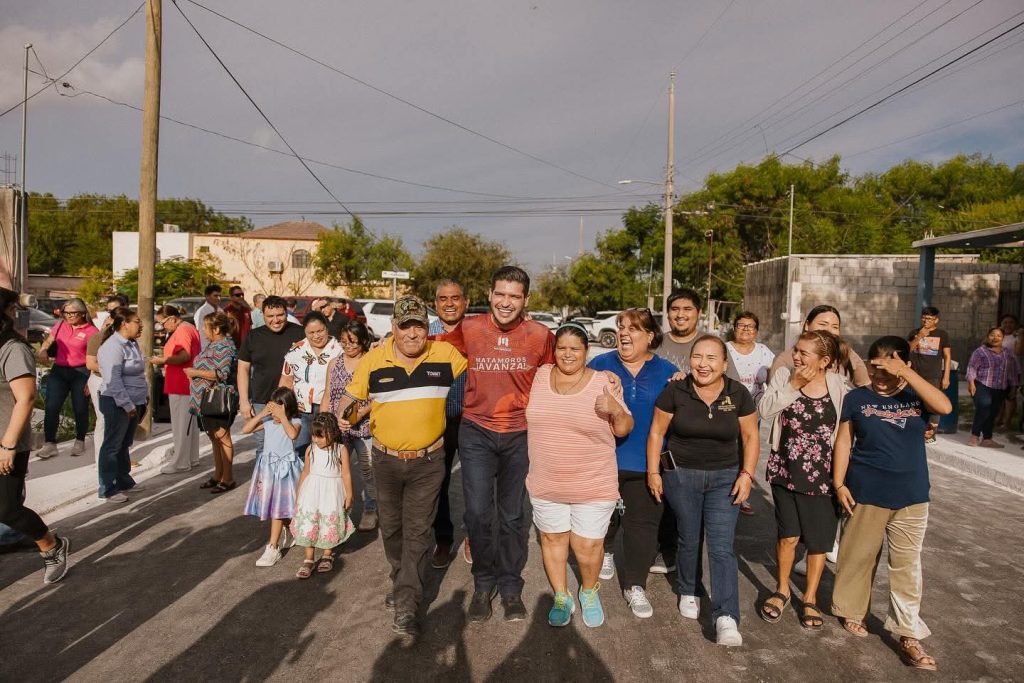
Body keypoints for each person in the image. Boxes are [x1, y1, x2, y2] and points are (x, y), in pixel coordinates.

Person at [334, 295, 467, 637]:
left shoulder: (445, 355)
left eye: (418, 326)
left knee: (419, 531)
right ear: (393, 327)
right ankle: (400, 577)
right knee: (392, 529)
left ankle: (408, 601)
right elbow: (351, 397)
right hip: (385, 461)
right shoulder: (374, 359)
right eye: (405, 326)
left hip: (429, 462)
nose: (412, 333)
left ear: (426, 328)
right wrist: (345, 415)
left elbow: (484, 357)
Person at [437, 266, 555, 623]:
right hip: (476, 432)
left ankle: (510, 586)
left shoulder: (540, 335)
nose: (506, 302)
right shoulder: (470, 328)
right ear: (490, 295)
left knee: (513, 515)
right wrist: (387, 345)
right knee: (476, 513)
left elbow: (561, 373)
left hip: (520, 434)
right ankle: (483, 584)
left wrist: (604, 376)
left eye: (514, 296)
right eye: (500, 294)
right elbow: (429, 347)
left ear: (526, 300)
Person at [831, 336, 952, 671]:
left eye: (887, 368)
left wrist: (907, 374)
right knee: (858, 557)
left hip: (912, 495)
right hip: (866, 491)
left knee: (907, 567)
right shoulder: (857, 398)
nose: (879, 375)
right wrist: (839, 483)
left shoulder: (916, 394)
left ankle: (908, 632)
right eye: (875, 367)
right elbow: (844, 441)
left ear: (904, 365)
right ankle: (852, 610)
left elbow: (944, 407)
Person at [646, 335, 759, 647]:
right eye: (697, 356)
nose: (703, 364)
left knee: (721, 546)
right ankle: (688, 588)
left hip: (726, 478)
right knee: (688, 536)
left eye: (711, 358)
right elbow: (657, 432)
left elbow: (750, 437)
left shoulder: (738, 393)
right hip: (681, 477)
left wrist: (747, 474)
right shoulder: (675, 391)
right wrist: (654, 472)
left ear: (724, 364)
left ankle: (726, 616)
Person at [527, 323, 633, 628]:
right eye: (562, 348)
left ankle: (588, 591)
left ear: (587, 351)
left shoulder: (603, 381)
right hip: (546, 482)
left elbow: (624, 427)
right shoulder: (539, 376)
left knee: (588, 547)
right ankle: (561, 596)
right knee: (552, 540)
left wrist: (615, 409)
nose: (568, 354)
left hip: (593, 483)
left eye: (575, 348)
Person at [589, 308, 678, 619]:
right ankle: (607, 550)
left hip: (647, 464)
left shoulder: (668, 371)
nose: (624, 333)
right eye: (621, 327)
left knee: (643, 526)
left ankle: (635, 585)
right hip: (604, 460)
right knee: (607, 519)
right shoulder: (599, 365)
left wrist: (684, 382)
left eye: (633, 328)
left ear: (650, 336)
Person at [757, 330, 847, 630]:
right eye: (796, 350)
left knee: (819, 541)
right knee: (788, 536)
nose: (796, 356)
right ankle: (782, 589)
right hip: (786, 470)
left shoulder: (838, 385)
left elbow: (847, 432)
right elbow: (765, 410)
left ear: (824, 360)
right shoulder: (785, 376)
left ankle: (809, 598)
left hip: (824, 475)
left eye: (803, 353)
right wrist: (793, 386)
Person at [0, 286, 71, 583]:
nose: (15, 314)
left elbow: (27, 398)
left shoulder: (13, 349)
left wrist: (8, 445)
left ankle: (51, 545)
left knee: (7, 509)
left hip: (7, 442)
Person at [649, 289, 706, 574]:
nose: (680, 315)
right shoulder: (657, 344)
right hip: (661, 433)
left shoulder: (709, 344)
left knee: (689, 500)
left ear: (698, 313)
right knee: (661, 492)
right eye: (675, 309)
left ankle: (687, 558)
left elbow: (728, 385)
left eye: (687, 309)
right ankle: (664, 549)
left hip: (695, 437)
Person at [428, 279, 469, 567]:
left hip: (471, 419)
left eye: (455, 298)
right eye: (443, 299)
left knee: (475, 483)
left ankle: (473, 535)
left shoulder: (477, 332)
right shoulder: (425, 333)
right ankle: (443, 539)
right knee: (437, 482)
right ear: (435, 303)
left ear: (465, 302)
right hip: (436, 420)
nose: (449, 303)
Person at [323, 319, 377, 531]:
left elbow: (378, 397)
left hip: (365, 428)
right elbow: (328, 394)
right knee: (336, 470)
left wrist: (360, 413)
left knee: (368, 471)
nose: (348, 346)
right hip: (338, 428)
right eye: (344, 342)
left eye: (353, 341)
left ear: (363, 340)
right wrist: (325, 423)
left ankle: (371, 510)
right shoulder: (334, 363)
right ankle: (338, 512)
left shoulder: (372, 361)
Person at [237, 295, 305, 465]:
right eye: (270, 316)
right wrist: (244, 401)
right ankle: (264, 481)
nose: (276, 320)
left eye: (280, 315)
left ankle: (293, 481)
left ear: (286, 313)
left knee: (296, 447)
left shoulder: (300, 333)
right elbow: (243, 369)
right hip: (262, 401)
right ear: (262, 314)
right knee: (264, 446)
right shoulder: (253, 336)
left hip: (294, 401)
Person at [242, 386, 302, 567]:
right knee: (277, 506)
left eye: (278, 408)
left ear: (287, 407)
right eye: (273, 408)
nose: (274, 412)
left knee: (278, 507)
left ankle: (273, 547)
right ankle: (291, 528)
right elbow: (246, 429)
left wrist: (283, 417)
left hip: (285, 472)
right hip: (268, 471)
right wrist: (262, 414)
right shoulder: (268, 423)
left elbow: (292, 434)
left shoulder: (294, 421)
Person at [291, 412, 355, 579]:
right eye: (314, 436)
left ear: (333, 433)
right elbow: (306, 472)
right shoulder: (310, 449)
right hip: (311, 492)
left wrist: (349, 495)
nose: (316, 440)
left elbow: (346, 474)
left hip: (332, 492)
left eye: (320, 436)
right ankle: (308, 559)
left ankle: (327, 554)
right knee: (309, 523)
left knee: (329, 523)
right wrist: (299, 493)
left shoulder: (341, 450)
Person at [96, 307, 149, 503]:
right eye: (137, 321)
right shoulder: (112, 347)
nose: (140, 325)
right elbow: (113, 380)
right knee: (112, 445)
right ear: (124, 324)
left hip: (135, 401)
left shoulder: (132, 343)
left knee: (124, 444)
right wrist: (127, 405)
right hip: (117, 402)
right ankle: (107, 488)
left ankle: (124, 481)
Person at [35, 297, 99, 459]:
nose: (69, 316)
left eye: (73, 313)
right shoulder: (60, 325)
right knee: (51, 407)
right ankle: (50, 443)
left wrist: (91, 379)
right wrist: (43, 350)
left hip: (81, 372)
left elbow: (97, 357)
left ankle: (80, 440)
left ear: (82, 313)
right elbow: (49, 340)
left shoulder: (92, 332)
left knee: (80, 408)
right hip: (59, 371)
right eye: (66, 313)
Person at [725, 310, 775, 516]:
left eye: (750, 326)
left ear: (756, 330)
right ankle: (726, 490)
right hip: (727, 409)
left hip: (753, 412)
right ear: (734, 328)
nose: (745, 329)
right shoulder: (725, 349)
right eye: (741, 325)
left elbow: (775, 377)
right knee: (729, 450)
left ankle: (742, 494)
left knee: (747, 450)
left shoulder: (764, 352)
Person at [186, 312, 238, 493]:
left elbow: (222, 373)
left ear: (216, 329)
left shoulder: (224, 346)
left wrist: (195, 372)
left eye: (205, 326)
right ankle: (218, 475)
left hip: (217, 400)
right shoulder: (213, 344)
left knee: (223, 437)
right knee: (214, 438)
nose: (202, 330)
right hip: (205, 401)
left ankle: (228, 478)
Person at [280, 311, 342, 458]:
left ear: (327, 327)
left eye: (320, 331)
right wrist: (281, 407)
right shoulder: (297, 349)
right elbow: (286, 380)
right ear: (305, 332)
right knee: (301, 453)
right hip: (301, 410)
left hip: (329, 410)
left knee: (327, 453)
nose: (316, 336)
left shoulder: (339, 350)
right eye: (311, 332)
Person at [150, 305, 202, 474]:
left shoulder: (182, 330)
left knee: (181, 425)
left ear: (172, 318)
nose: (162, 327)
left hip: (180, 384)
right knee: (189, 425)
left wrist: (162, 360)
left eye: (162, 323)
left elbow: (184, 355)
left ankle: (180, 462)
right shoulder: (189, 327)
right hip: (186, 383)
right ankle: (191, 458)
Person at [769, 305, 870, 388]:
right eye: (823, 324)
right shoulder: (786, 360)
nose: (829, 330)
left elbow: (866, 387)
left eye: (835, 327)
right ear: (807, 325)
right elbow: (773, 399)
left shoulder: (848, 354)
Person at [85, 296, 127, 461]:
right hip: (100, 380)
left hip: (120, 381)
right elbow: (91, 363)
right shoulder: (98, 337)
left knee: (121, 420)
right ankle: (101, 460)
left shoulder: (127, 339)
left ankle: (118, 458)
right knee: (103, 419)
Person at [967, 327, 1019, 448]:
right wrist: (971, 383)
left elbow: (1012, 371)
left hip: (1000, 387)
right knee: (983, 408)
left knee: (992, 412)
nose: (995, 338)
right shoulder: (980, 351)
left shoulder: (1008, 353)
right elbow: (972, 368)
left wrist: (1013, 387)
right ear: (987, 336)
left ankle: (987, 439)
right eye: (992, 335)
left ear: (1003, 338)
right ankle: (974, 436)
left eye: (999, 336)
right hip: (982, 384)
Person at [907, 306, 951, 443]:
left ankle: (931, 434)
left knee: (932, 404)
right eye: (924, 318)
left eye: (930, 318)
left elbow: (947, 356)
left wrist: (946, 376)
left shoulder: (942, 334)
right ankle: (914, 431)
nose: (926, 321)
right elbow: (907, 350)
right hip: (915, 374)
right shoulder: (914, 332)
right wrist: (919, 337)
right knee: (914, 403)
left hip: (933, 375)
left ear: (936, 320)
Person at [997, 314, 1020, 431]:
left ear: (1015, 324)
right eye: (1005, 322)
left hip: (1014, 371)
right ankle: (999, 419)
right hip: (999, 370)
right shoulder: (998, 335)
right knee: (1000, 396)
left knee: (1010, 397)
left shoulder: (1017, 337)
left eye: (1010, 322)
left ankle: (1007, 423)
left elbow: (1018, 352)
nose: (1007, 325)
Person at [194, 284, 222, 349]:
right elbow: (201, 335)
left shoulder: (220, 310)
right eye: (215, 296)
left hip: (221, 347)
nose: (219, 298)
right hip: (208, 349)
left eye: (220, 296)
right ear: (207, 296)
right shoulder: (201, 312)